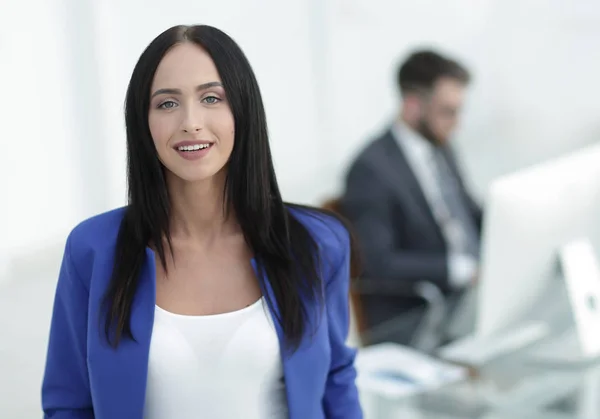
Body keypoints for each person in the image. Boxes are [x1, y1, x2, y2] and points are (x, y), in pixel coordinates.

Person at [41, 24, 362, 419]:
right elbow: (69, 404)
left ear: (242, 110)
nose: (191, 122)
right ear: (143, 123)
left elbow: (335, 379)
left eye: (211, 97)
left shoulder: (318, 241)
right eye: (167, 103)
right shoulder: (92, 249)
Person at [341, 50, 482, 346]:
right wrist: (454, 270)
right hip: (422, 313)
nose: (457, 123)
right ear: (413, 105)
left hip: (468, 297)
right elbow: (378, 262)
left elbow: (467, 211)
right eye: (448, 111)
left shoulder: (441, 146)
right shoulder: (371, 169)